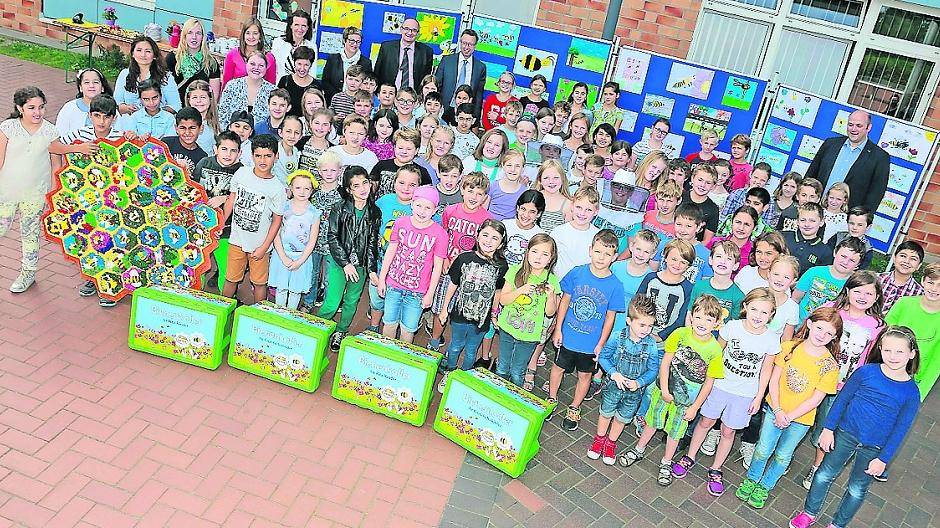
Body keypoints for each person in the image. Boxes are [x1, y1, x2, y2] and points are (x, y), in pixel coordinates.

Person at [790, 326, 921, 528]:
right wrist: (828, 429)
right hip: (845, 434)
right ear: (880, 349)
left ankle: (837, 524)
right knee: (824, 474)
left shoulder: (911, 392)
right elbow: (841, 401)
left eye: (899, 351)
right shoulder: (865, 372)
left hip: (874, 448)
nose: (892, 356)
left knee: (857, 489)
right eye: (887, 350)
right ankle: (809, 513)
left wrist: (883, 459)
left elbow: (901, 429)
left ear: (912, 353)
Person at [671, 288, 779, 496]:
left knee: (729, 431)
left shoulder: (771, 339)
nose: (758, 316)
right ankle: (690, 456)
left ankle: (716, 468)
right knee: (705, 422)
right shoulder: (732, 328)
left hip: (745, 393)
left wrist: (759, 396)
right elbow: (716, 353)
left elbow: (766, 370)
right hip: (720, 386)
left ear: (772, 315)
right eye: (754, 309)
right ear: (745, 307)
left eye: (764, 312)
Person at [736, 307, 842, 509]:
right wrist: (777, 410)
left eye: (829, 333)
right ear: (809, 324)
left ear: (835, 336)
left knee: (783, 455)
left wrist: (790, 416)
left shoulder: (830, 365)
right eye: (819, 328)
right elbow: (774, 380)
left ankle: (765, 486)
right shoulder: (788, 348)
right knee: (763, 449)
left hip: (800, 420)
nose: (822, 335)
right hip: (774, 410)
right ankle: (752, 479)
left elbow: (816, 399)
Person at [620, 295, 724, 487]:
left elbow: (709, 383)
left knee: (675, 432)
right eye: (698, 317)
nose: (702, 323)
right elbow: (666, 361)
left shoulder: (715, 350)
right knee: (652, 421)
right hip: (663, 391)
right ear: (691, 317)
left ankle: (666, 462)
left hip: (686, 402)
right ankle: (639, 449)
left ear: (717, 323)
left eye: (709, 319)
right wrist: (665, 389)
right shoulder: (680, 334)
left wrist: (695, 407)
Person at [0, 86, 97, 293]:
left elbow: (56, 161)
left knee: (30, 233)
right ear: (20, 108)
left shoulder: (50, 131)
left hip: (35, 193)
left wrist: (53, 194)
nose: (37, 112)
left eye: (41, 107)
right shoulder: (8, 127)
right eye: (31, 107)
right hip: (6, 191)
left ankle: (28, 272)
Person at [802, 270, 885, 490]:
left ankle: (817, 466)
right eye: (857, 290)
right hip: (813, 376)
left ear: (876, 297)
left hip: (843, 386)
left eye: (869, 293)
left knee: (826, 425)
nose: (862, 296)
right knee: (802, 416)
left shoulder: (876, 326)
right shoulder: (832, 310)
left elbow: (870, 360)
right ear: (847, 290)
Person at [548, 230, 626, 430]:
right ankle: (551, 398)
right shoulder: (577, 272)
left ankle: (574, 406)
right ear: (590, 250)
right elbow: (564, 301)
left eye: (607, 254)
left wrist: (601, 343)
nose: (601, 257)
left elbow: (611, 317)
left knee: (585, 375)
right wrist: (558, 329)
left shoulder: (615, 285)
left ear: (615, 257)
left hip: (590, 344)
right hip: (568, 336)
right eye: (598, 251)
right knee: (558, 367)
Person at [587, 294, 660, 465]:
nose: (646, 330)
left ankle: (611, 443)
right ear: (629, 320)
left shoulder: (650, 345)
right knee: (606, 414)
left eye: (650, 326)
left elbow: (653, 369)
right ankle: (599, 439)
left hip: (634, 392)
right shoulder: (617, 337)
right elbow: (604, 357)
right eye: (642, 324)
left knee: (622, 418)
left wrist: (639, 382)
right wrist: (613, 373)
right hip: (613, 386)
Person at [438, 219, 508, 389]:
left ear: (500, 243)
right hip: (459, 315)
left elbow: (498, 292)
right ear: (477, 236)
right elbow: (453, 284)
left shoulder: (502, 266)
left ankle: (463, 377)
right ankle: (450, 372)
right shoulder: (463, 258)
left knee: (471, 350)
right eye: (485, 235)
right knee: (455, 346)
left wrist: (494, 314)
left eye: (495, 238)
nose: (488, 241)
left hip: (481, 319)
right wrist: (444, 308)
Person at [427, 172, 493, 352]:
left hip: (470, 273)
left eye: (480, 194)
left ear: (485, 197)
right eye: (471, 191)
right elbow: (443, 236)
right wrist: (444, 259)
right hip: (448, 267)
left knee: (462, 310)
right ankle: (434, 339)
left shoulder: (486, 219)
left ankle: (456, 348)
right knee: (441, 305)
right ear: (462, 190)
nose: (474, 197)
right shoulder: (450, 211)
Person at [319, 165, 381, 350]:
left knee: (351, 301)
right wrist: (345, 263)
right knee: (331, 302)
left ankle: (341, 330)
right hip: (340, 263)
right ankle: (319, 328)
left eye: (365, 183)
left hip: (360, 266)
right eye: (356, 185)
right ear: (348, 189)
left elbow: (372, 242)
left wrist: (370, 269)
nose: (362, 189)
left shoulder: (374, 211)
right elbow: (332, 236)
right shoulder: (339, 208)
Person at [221, 134, 286, 305]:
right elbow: (231, 200)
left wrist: (264, 247)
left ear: (276, 156)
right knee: (230, 279)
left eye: (268, 156)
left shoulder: (278, 188)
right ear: (252, 156)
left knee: (259, 283)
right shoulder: (241, 173)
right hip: (236, 240)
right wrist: (220, 224)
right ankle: (222, 312)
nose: (263, 160)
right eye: (258, 155)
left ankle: (257, 316)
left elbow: (277, 221)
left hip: (259, 245)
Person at [377, 185, 447, 343]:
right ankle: (385, 357)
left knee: (408, 329)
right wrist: (382, 278)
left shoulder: (440, 234)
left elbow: (438, 267)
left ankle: (401, 360)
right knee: (389, 323)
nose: (422, 211)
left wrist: (430, 293)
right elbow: (390, 251)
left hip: (417, 291)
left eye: (428, 207)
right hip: (394, 284)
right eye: (419, 206)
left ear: (435, 210)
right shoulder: (400, 223)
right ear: (412, 205)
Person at [496, 233, 560, 386]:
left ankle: (513, 401)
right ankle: (496, 398)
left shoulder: (551, 280)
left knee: (518, 371)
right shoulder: (515, 271)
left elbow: (550, 312)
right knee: (502, 368)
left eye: (545, 254)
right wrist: (520, 290)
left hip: (529, 335)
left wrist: (551, 296)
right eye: (535, 251)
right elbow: (503, 300)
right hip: (507, 327)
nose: (538, 257)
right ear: (527, 252)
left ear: (551, 259)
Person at [805, 109, 890, 211]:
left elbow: (876, 194)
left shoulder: (880, 157)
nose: (853, 129)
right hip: (814, 210)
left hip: (846, 218)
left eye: (859, 126)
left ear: (869, 127)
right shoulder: (830, 144)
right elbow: (811, 174)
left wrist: (861, 218)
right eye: (850, 125)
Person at [192, 130, 243, 292]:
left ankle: (225, 300)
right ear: (215, 149)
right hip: (201, 227)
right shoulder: (204, 164)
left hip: (227, 231)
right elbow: (192, 192)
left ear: (239, 153)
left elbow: (242, 199)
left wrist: (225, 198)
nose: (228, 154)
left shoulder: (242, 172)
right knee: (197, 264)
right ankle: (193, 296)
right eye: (224, 149)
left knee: (227, 268)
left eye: (233, 150)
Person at [885, 262, 940, 401]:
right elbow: (884, 335)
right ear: (923, 281)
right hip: (886, 368)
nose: (934, 289)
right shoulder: (904, 303)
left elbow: (936, 362)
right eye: (931, 282)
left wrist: (920, 393)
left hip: (914, 379)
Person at [269, 170, 321, 309]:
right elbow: (276, 233)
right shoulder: (283, 207)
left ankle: (290, 317)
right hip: (281, 255)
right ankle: (278, 315)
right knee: (281, 288)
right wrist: (283, 257)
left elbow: (312, 241)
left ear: (312, 191)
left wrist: (300, 261)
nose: (302, 191)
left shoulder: (314, 213)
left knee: (295, 290)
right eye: (298, 187)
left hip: (301, 258)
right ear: (291, 188)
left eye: (307, 188)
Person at [113, 36, 182, 129]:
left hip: (159, 127)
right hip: (129, 126)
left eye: (148, 51)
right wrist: (125, 108)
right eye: (139, 50)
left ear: (154, 55)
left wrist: (155, 111)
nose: (143, 55)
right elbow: (116, 103)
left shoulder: (166, 77)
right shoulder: (124, 74)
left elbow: (175, 106)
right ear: (133, 53)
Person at [794, 237, 866, 321]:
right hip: (799, 325)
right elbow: (795, 299)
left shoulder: (856, 284)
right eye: (843, 256)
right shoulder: (814, 272)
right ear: (835, 252)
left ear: (858, 264)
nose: (845, 262)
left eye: (852, 260)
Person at [552, 186, 602, 281]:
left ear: (596, 212)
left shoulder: (598, 236)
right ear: (572, 206)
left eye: (588, 210)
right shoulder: (558, 232)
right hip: (559, 285)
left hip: (584, 287)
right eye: (579, 207)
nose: (582, 213)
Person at [217, 51, 276, 131]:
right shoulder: (232, 86)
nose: (256, 68)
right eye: (252, 64)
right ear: (246, 64)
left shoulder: (273, 91)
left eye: (261, 65)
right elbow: (222, 115)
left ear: (266, 68)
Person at [166, 19, 221, 102]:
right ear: (184, 36)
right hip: (175, 109)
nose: (194, 37)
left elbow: (214, 96)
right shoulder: (172, 58)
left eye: (198, 33)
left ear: (203, 37)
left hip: (200, 110)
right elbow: (164, 87)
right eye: (190, 33)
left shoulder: (211, 63)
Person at [691, 241, 745, 323]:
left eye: (729, 258)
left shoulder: (738, 296)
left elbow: (734, 325)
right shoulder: (699, 286)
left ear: (735, 266)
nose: (723, 262)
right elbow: (689, 314)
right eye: (719, 256)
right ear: (710, 260)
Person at [435, 29, 485, 114]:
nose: (466, 47)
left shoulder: (480, 67)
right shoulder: (447, 61)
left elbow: (478, 97)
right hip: (444, 110)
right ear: (460, 42)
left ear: (475, 46)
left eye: (470, 44)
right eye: (464, 43)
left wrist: (476, 119)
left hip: (466, 114)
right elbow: (437, 85)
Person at [374, 18, 433, 90]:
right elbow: (377, 72)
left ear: (418, 33)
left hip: (414, 97)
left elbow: (427, 79)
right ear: (401, 29)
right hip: (389, 94)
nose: (410, 33)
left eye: (414, 30)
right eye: (406, 29)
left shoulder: (426, 52)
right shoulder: (387, 47)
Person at [322, 27, 373, 105]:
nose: (355, 44)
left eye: (358, 42)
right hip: (333, 101)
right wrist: (339, 98)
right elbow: (325, 82)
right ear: (344, 40)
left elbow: (366, 85)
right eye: (352, 41)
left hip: (356, 104)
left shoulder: (366, 63)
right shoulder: (332, 59)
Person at [55, 68, 113, 137]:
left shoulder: (111, 108)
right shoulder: (69, 108)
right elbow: (58, 136)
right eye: (86, 82)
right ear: (80, 88)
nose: (91, 86)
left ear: (102, 87)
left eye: (96, 82)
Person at [221, 18, 277, 88]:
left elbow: (271, 85)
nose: (251, 37)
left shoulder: (269, 58)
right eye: (248, 33)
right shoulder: (232, 55)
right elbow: (226, 82)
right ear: (243, 35)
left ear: (260, 36)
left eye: (255, 33)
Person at [782, 203, 832, 276]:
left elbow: (820, 276)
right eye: (803, 220)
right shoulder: (783, 237)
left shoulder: (825, 251)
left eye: (812, 221)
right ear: (797, 221)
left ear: (821, 222)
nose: (807, 224)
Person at [879, 240, 925, 313]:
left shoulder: (919, 294)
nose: (907, 261)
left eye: (913, 259)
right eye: (903, 256)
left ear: (919, 266)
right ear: (894, 258)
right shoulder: (876, 279)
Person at [270, 9, 316, 81]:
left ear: (308, 28)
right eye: (296, 25)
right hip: (281, 86)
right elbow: (273, 68)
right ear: (291, 26)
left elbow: (312, 73)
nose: (300, 29)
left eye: (303, 26)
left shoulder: (312, 46)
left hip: (303, 87)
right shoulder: (278, 43)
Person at [162, 107, 207, 174]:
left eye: (192, 128)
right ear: (176, 128)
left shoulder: (202, 157)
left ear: (201, 129)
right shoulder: (166, 143)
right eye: (182, 128)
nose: (187, 133)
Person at [485, 150, 527, 221]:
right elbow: (483, 209)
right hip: (490, 225)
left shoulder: (524, 191)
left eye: (517, 166)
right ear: (503, 166)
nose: (513, 169)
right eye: (509, 165)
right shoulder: (492, 186)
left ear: (523, 168)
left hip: (510, 228)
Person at [278, 47, 318, 118]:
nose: (302, 68)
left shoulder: (316, 85)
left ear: (311, 65)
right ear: (294, 63)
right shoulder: (285, 81)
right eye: (299, 64)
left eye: (306, 65)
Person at [185, 80, 220, 155]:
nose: (199, 101)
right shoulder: (181, 122)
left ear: (210, 99)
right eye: (194, 97)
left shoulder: (218, 123)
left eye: (203, 97)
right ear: (189, 100)